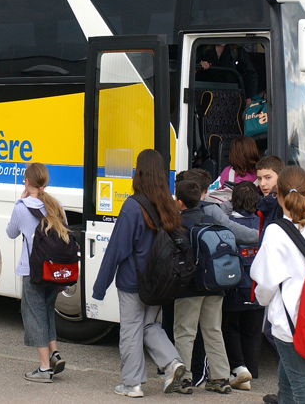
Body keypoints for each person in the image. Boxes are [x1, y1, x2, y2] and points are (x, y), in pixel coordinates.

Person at [92, 149, 187, 398]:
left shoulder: (133, 206)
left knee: (131, 329)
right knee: (149, 326)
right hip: (159, 282)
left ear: (140, 172)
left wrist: (99, 287)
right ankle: (172, 363)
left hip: (133, 282)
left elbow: (116, 249)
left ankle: (131, 384)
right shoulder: (168, 205)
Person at [250, 166, 305, 404]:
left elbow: (265, 282)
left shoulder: (276, 231)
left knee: (303, 387)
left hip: (290, 322)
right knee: (287, 382)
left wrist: (261, 300)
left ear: (278, 194)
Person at [6, 162, 68, 383]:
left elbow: (11, 232)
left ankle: (44, 369)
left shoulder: (22, 207)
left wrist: (19, 201)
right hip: (53, 271)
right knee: (46, 312)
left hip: (32, 271)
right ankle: (54, 353)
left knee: (34, 316)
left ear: (27, 181)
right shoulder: (57, 205)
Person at [173, 179, 233, 394]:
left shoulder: (178, 225)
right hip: (215, 285)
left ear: (179, 202)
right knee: (213, 331)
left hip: (190, 288)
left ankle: (184, 379)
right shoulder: (211, 221)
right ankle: (220, 377)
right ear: (200, 198)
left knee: (185, 332)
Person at [222, 181, 263, 391]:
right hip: (258, 290)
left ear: (233, 201)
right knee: (253, 331)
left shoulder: (228, 225)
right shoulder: (262, 224)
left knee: (229, 327)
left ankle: (238, 367)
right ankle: (252, 370)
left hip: (234, 287)